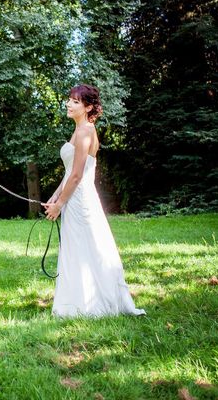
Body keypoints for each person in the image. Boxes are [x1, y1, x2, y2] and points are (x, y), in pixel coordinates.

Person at [43, 84, 145, 318]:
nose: (69, 104)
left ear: (88, 107)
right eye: (69, 100)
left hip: (81, 200)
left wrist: (60, 205)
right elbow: (69, 171)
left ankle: (92, 304)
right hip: (72, 195)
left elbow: (78, 174)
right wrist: (56, 195)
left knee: (88, 248)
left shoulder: (86, 131)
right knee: (75, 248)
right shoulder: (78, 129)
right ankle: (76, 303)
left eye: (75, 102)